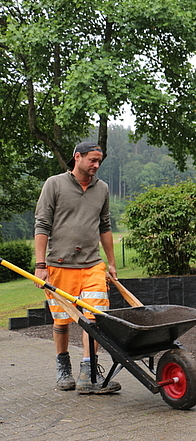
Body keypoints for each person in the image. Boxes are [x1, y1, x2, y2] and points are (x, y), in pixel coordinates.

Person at [34, 141, 121, 394]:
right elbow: (42, 225)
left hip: (93, 265)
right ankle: (63, 369)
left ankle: (88, 373)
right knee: (62, 320)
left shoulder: (102, 188)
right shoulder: (54, 184)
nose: (96, 165)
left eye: (99, 161)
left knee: (95, 318)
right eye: (92, 160)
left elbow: (105, 226)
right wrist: (41, 266)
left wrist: (111, 263)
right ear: (77, 158)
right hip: (59, 265)